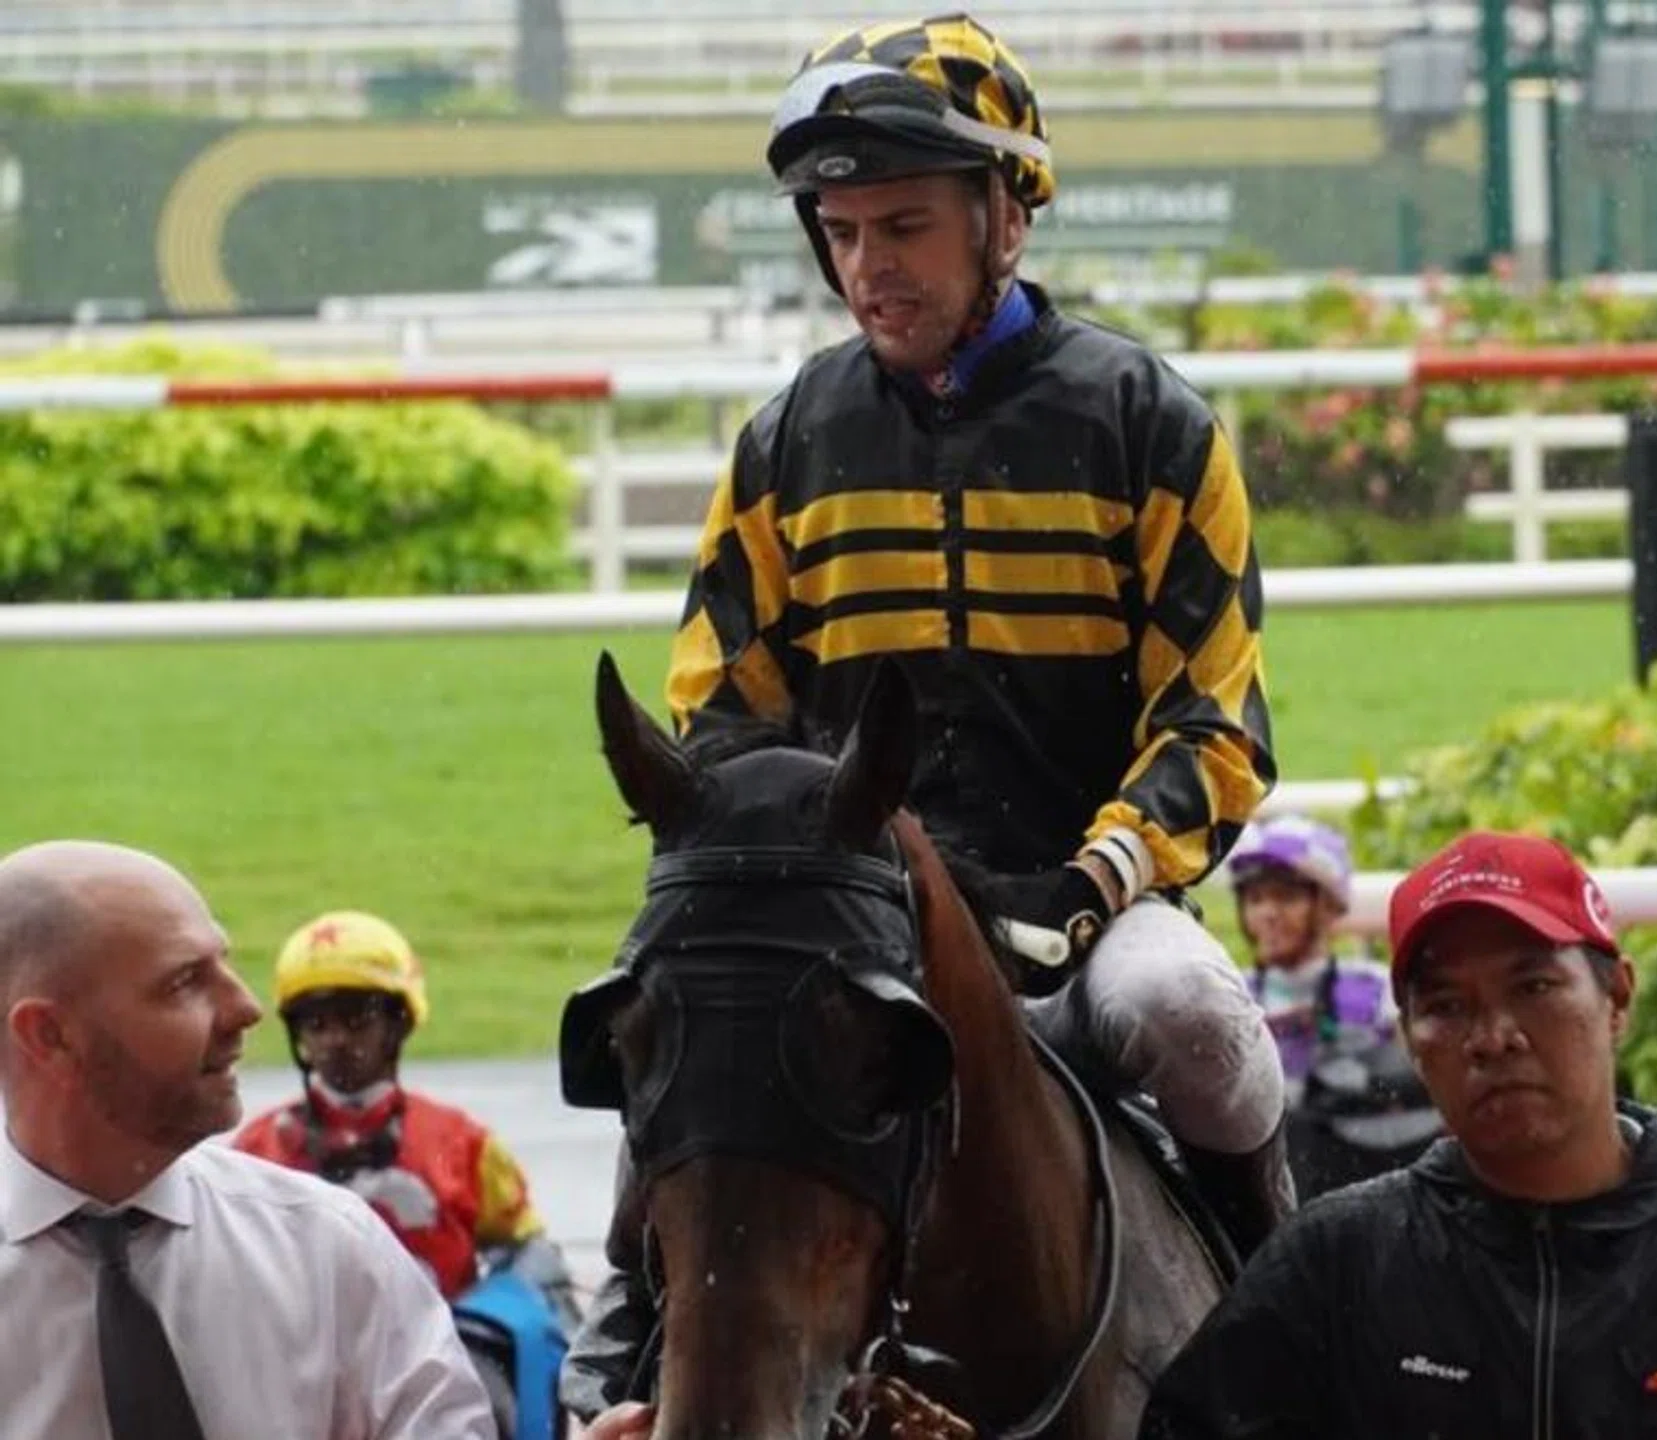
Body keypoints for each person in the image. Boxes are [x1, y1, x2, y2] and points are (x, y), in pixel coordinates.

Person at [563, 10, 1288, 1420]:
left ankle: (1280, 1319)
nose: (867, 268)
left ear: (1004, 218)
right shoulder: (785, 443)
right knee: (692, 1009)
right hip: (850, 894)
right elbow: (720, 709)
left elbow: (1215, 725)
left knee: (1189, 1012)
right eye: (839, 232)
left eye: (902, 226)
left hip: (1083, 891)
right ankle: (626, 1337)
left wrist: (1088, 886)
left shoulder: (1153, 425)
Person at [1139, 829, 1657, 1440]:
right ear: (1409, 1037)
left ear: (1616, 997)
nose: (1494, 1035)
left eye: (1534, 986)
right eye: (1448, 1006)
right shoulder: (1334, 1274)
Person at [0, 840, 494, 1440]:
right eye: (183, 983)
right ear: (49, 1035)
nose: (246, 1008)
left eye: (224, 964)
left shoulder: (331, 1251)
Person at [233, 910, 578, 1318]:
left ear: (397, 1026)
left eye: (356, 1020)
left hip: (445, 1362)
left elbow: (528, 1257)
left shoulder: (467, 1145)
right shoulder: (252, 1151)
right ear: (298, 1035)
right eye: (318, 1024)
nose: (336, 1040)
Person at [1229, 814, 1440, 1201]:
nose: (1268, 914)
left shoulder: (1376, 991)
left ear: (1328, 905)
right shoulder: (1231, 997)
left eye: (1285, 897)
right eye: (1256, 899)